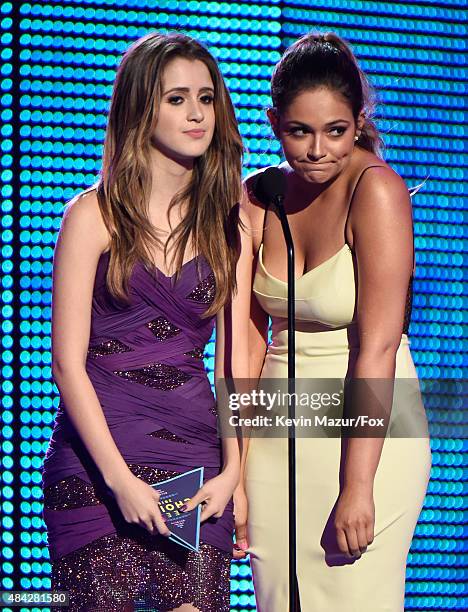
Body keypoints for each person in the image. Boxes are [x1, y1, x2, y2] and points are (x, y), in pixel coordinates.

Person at [41, 31, 251, 612]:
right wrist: (119, 480)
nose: (197, 114)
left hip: (195, 464)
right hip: (96, 465)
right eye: (177, 98)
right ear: (141, 107)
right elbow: (67, 364)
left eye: (207, 99)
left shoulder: (229, 225)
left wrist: (234, 470)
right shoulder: (92, 215)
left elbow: (234, 367)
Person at [234, 32, 431, 611]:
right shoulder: (256, 197)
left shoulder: (378, 192)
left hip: (369, 434)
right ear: (273, 122)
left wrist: (358, 485)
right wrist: (236, 469)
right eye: (299, 131)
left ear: (357, 120)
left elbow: (377, 351)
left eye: (336, 131)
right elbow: (243, 345)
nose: (318, 149)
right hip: (274, 428)